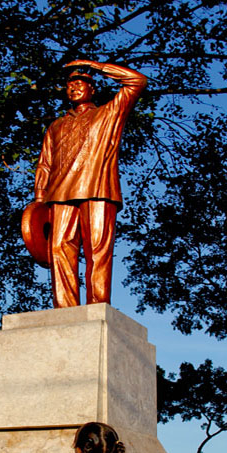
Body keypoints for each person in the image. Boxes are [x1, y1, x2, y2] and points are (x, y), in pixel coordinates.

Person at [33, 59, 147, 308]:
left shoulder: (108, 114)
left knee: (97, 251)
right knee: (59, 251)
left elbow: (137, 81)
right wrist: (39, 200)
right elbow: (45, 163)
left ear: (92, 89)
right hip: (59, 194)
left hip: (98, 190)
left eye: (80, 83)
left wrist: (96, 66)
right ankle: (64, 309)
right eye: (70, 85)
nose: (74, 88)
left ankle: (96, 308)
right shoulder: (56, 126)